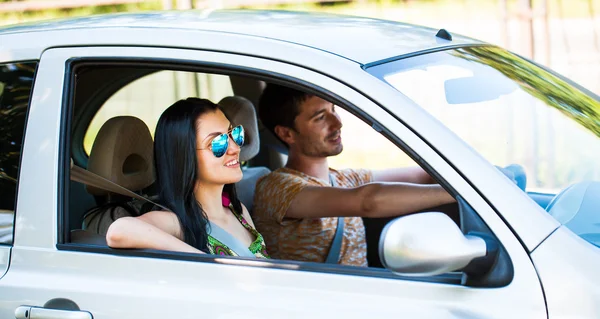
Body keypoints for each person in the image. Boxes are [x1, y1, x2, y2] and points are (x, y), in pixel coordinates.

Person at [252, 84, 454, 266]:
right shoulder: (275, 188)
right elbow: (368, 201)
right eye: (320, 117)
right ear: (287, 133)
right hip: (318, 303)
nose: (337, 123)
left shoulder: (345, 179)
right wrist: (451, 193)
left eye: (334, 110)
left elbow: (422, 176)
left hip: (358, 296)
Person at [107, 98, 269, 258]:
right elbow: (118, 231)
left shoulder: (239, 212)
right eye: (218, 142)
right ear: (184, 156)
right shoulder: (176, 222)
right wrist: (205, 261)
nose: (235, 147)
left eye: (234, 133)